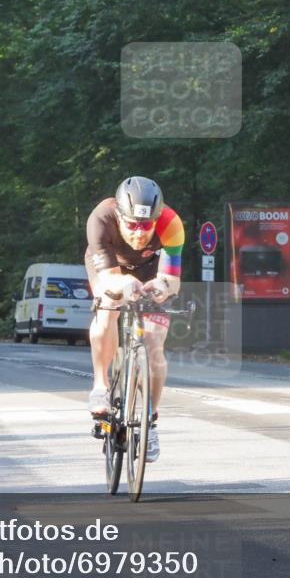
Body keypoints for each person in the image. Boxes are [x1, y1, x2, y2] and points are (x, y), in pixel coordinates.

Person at [84, 176, 184, 462]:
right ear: (119, 215)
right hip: (109, 267)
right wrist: (124, 283)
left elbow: (173, 280)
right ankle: (101, 386)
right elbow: (109, 280)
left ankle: (149, 421)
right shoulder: (101, 219)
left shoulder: (171, 224)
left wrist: (163, 286)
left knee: (155, 344)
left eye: (146, 225)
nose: (139, 233)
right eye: (132, 225)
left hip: (151, 269)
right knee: (108, 306)